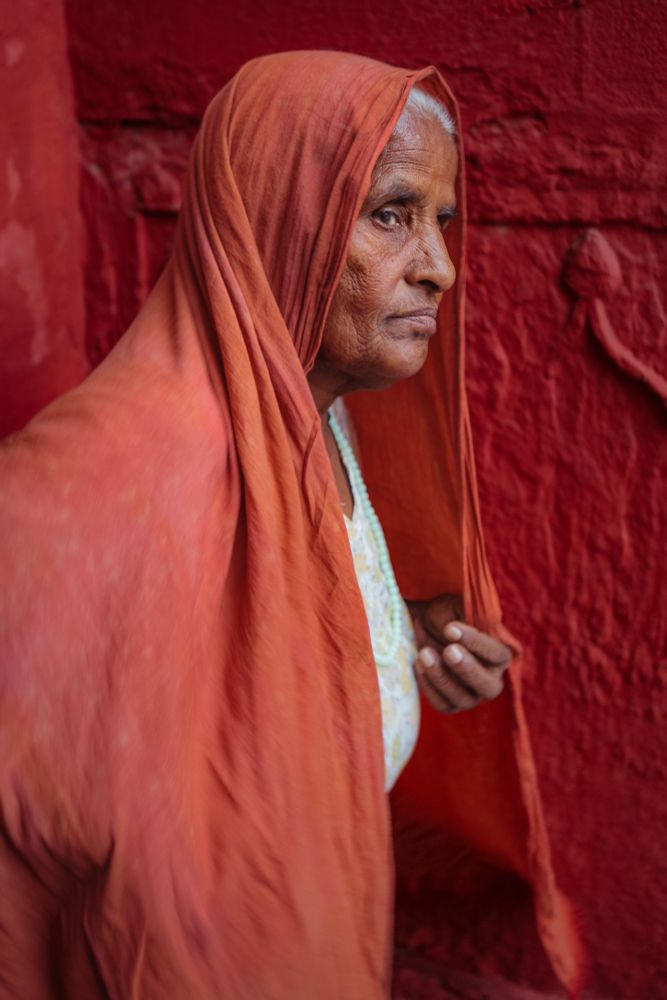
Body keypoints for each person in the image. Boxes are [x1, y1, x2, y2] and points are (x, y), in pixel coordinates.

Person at [0, 51, 581, 999]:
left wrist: (392, 647)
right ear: (278, 214)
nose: (436, 267)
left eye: (441, 222)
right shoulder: (111, 480)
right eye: (389, 214)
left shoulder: (315, 418)